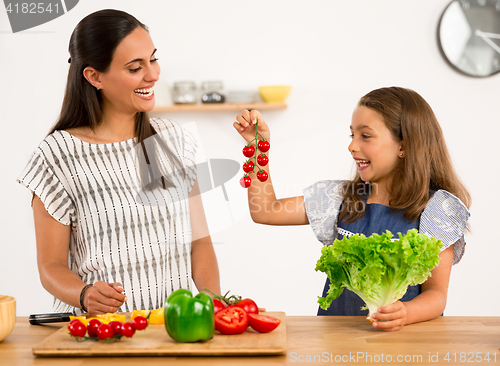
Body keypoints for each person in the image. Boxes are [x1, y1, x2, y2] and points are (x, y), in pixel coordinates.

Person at [17, 9, 220, 315]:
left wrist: (215, 310)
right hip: (96, 336)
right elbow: (50, 266)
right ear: (94, 76)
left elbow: (200, 244)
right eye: (135, 67)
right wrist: (85, 294)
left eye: (153, 59)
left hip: (171, 331)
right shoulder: (56, 156)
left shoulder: (175, 142)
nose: (152, 74)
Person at [233, 86, 471, 332]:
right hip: (338, 344)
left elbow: (436, 294)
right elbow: (265, 210)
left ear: (404, 146)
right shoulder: (341, 199)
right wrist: (258, 147)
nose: (352, 146)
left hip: (403, 347)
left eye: (365, 136)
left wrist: (406, 312)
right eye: (352, 135)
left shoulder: (436, 211)